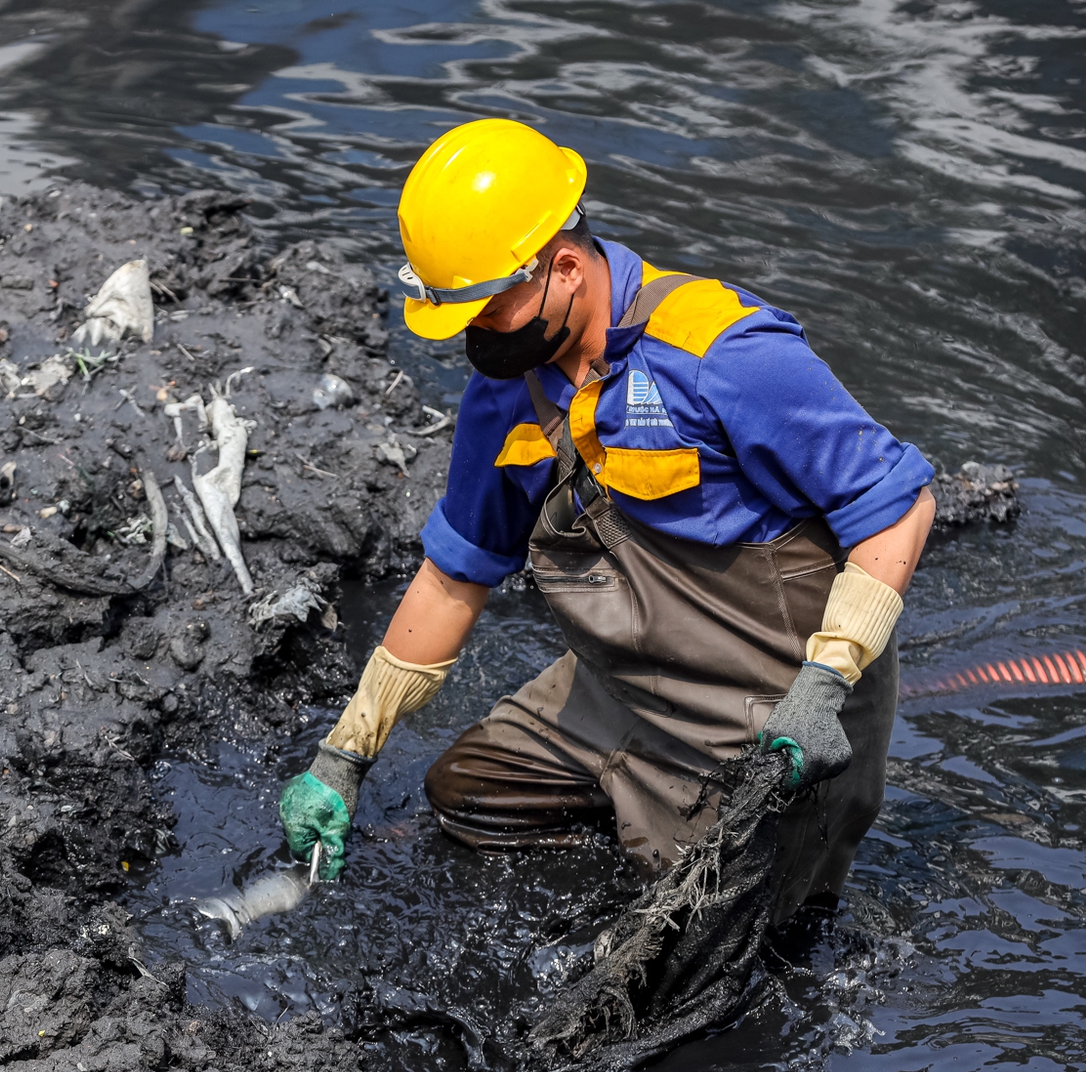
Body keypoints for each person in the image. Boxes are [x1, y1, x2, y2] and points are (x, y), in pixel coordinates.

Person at [279, 119, 935, 921]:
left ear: (562, 267)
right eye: (463, 320)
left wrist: (826, 683)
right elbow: (457, 572)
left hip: (777, 714)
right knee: (466, 795)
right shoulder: (505, 390)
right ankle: (635, 817)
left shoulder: (721, 354)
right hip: (625, 688)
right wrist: (345, 752)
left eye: (488, 311)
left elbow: (897, 506)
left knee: (727, 935)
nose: (477, 339)